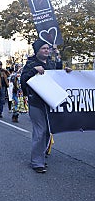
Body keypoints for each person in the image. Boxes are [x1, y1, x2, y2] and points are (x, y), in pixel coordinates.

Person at [20, 39, 70, 174]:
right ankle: (37, 162)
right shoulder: (30, 64)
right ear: (37, 51)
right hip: (36, 103)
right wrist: (33, 71)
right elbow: (23, 81)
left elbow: (58, 77)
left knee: (47, 131)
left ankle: (41, 156)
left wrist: (66, 72)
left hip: (50, 103)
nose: (46, 50)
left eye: (48, 48)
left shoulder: (51, 64)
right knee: (40, 131)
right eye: (43, 48)